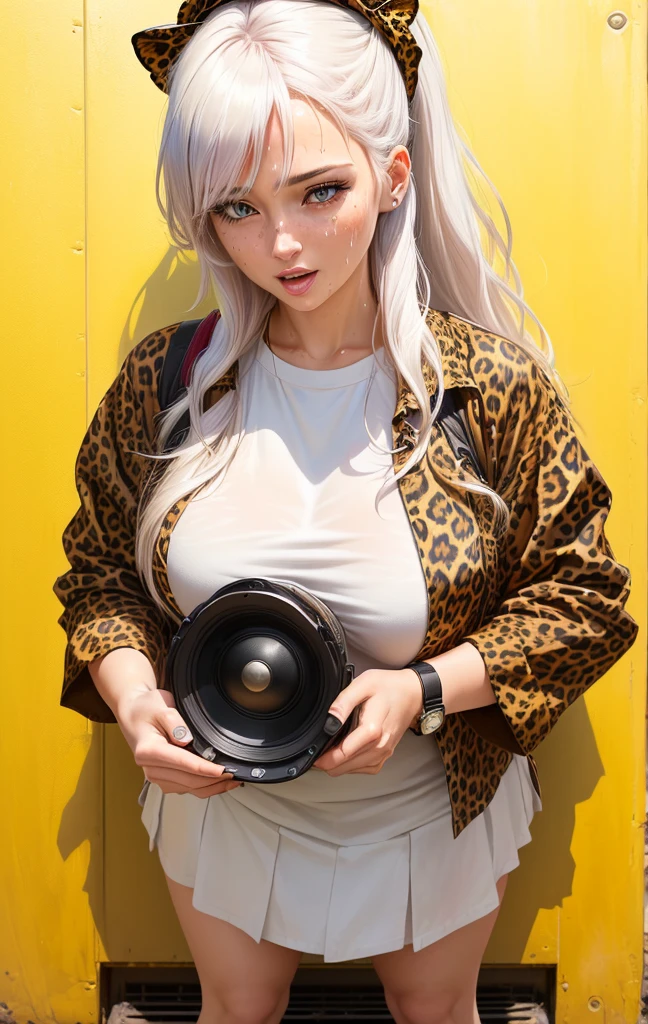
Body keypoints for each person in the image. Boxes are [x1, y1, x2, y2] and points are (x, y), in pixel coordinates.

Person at [52, 1, 639, 1021]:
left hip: (430, 810)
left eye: (319, 190)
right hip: (224, 812)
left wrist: (424, 688)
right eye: (235, 207)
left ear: (393, 177)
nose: (281, 242)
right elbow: (101, 571)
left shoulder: (485, 388)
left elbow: (584, 597)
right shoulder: (171, 381)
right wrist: (136, 694)